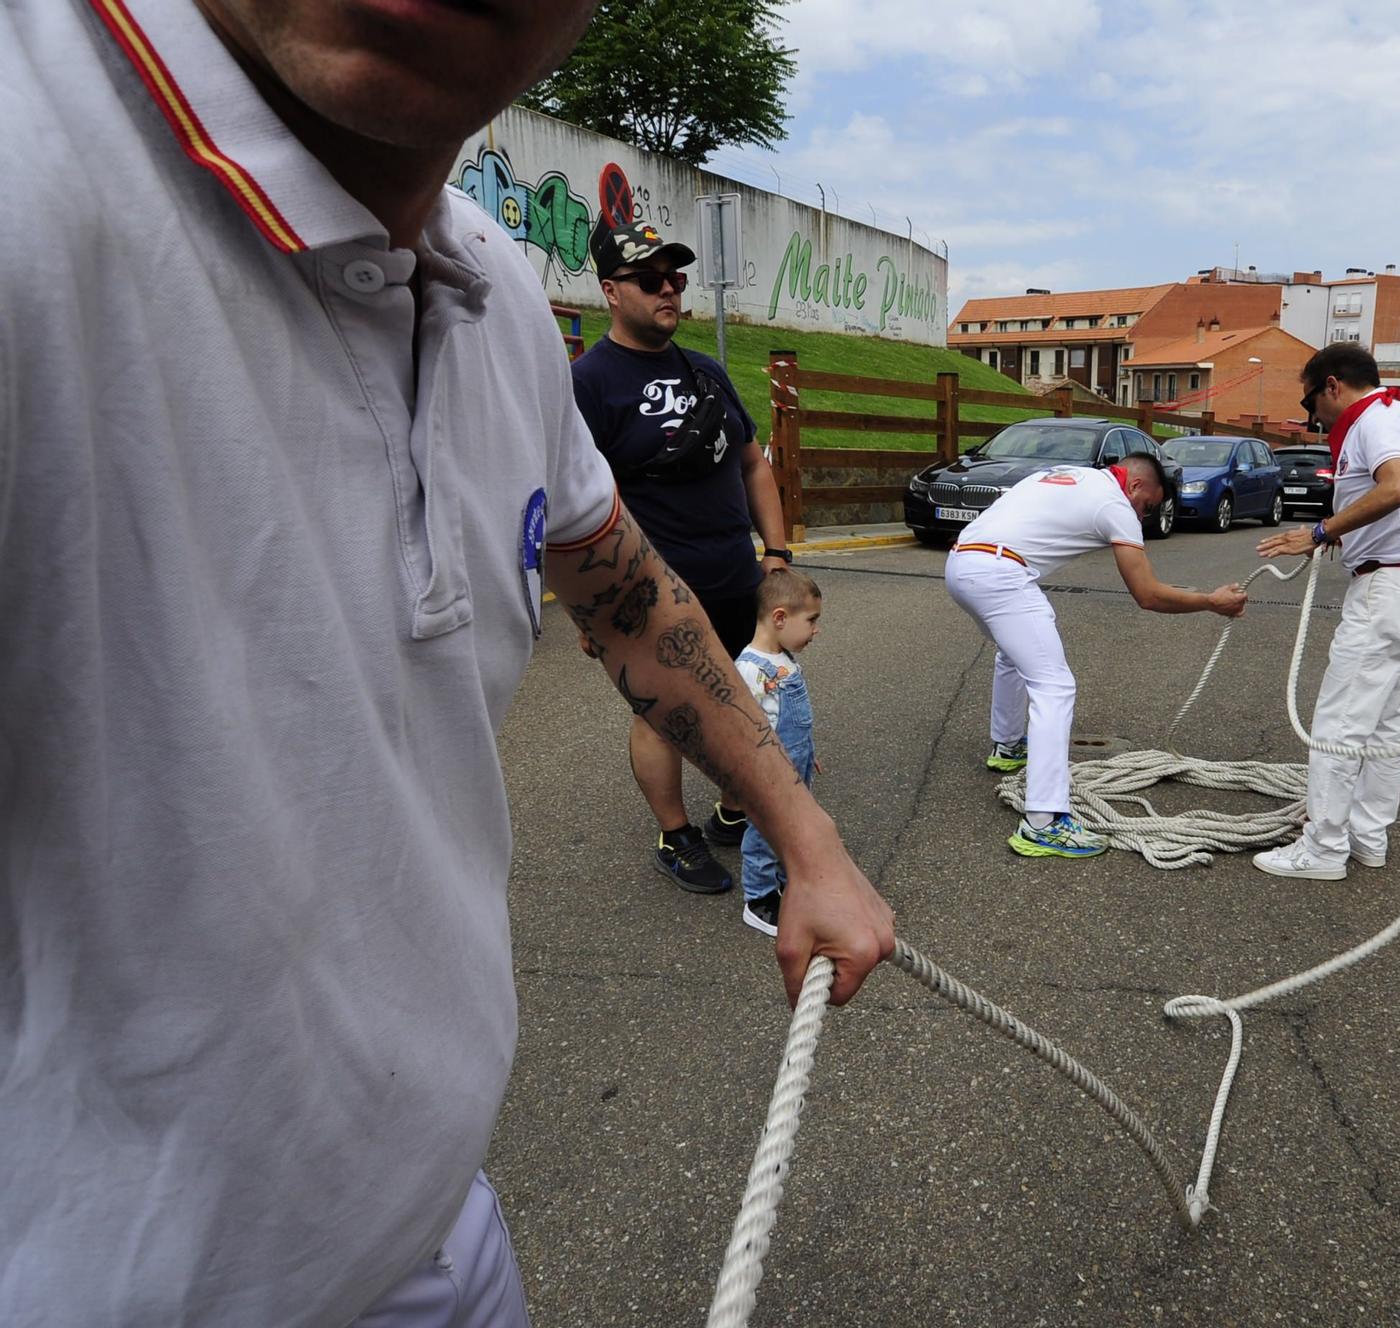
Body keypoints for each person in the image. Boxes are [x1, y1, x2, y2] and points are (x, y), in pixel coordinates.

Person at [0, 3, 894, 1324]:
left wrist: (805, 837)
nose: (668, 293)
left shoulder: (490, 296)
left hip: (438, 1226)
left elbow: (626, 598)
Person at [571, 217, 795, 894]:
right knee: (661, 713)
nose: (668, 290)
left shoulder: (707, 371)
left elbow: (754, 466)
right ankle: (675, 833)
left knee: (747, 696)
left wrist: (777, 555)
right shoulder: (590, 383)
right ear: (612, 291)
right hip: (650, 589)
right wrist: (591, 609)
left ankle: (733, 809)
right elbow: (574, 501)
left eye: (675, 278)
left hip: (736, 577)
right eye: (650, 279)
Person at [946, 452, 1247, 857]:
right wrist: (1210, 602)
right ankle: (1044, 822)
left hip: (963, 563)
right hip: (1001, 574)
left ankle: (1008, 746)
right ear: (1136, 486)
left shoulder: (1073, 476)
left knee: (1015, 654)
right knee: (1054, 685)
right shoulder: (1114, 503)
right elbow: (1148, 595)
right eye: (1146, 507)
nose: (1141, 516)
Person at [1252, 345, 1400, 880]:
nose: (1311, 414)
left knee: (1340, 719)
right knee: (1384, 719)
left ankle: (1322, 849)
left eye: (1309, 399)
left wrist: (1320, 531)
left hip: (1391, 585)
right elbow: (1391, 496)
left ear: (1333, 385)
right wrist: (1351, 534)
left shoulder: (1375, 423)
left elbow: (1397, 487)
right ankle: (1368, 837)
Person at [735, 569, 825, 936]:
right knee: (765, 831)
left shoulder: (784, 659)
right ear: (779, 618)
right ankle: (759, 899)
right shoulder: (750, 669)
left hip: (794, 765)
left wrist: (808, 752)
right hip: (769, 772)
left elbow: (793, 721)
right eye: (812, 620)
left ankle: (790, 883)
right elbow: (744, 729)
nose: (816, 629)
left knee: (792, 827)